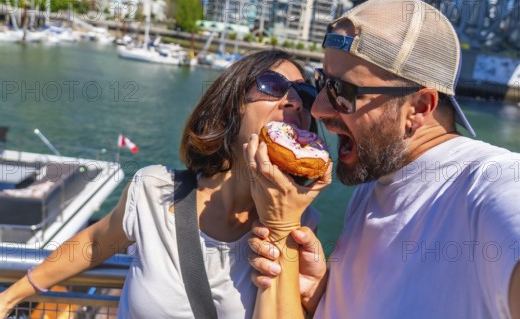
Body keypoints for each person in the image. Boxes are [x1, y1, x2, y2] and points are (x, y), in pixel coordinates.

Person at [247, 0, 520, 318]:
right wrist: (326, 295)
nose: (320, 109)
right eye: (323, 82)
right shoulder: (375, 182)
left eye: (342, 92)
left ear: (419, 107)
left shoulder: (500, 183)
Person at [0, 49, 330, 319]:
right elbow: (95, 243)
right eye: (272, 85)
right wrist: (12, 295)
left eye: (304, 93)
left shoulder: (300, 227)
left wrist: (281, 227)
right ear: (230, 108)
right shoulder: (154, 189)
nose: (295, 102)